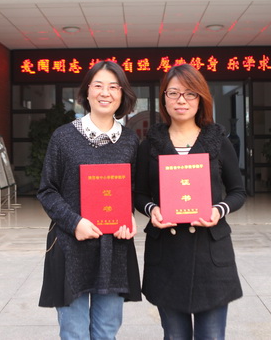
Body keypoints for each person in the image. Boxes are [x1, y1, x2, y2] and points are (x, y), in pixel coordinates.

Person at [134, 63, 246, 339]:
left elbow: (237, 191)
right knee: (174, 335)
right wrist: (152, 209)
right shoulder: (150, 144)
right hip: (167, 254)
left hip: (211, 253)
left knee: (212, 335)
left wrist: (219, 210)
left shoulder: (218, 140)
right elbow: (139, 194)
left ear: (201, 98)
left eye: (189, 93)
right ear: (164, 99)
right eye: (173, 93)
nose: (181, 100)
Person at [37, 60, 141, 340]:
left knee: (107, 331)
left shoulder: (130, 141)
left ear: (122, 94)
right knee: (74, 332)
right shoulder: (63, 137)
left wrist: (129, 217)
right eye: (98, 86)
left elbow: (131, 189)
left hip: (114, 248)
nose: (105, 93)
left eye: (113, 87)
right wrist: (75, 223)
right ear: (86, 92)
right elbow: (47, 190)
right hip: (71, 246)